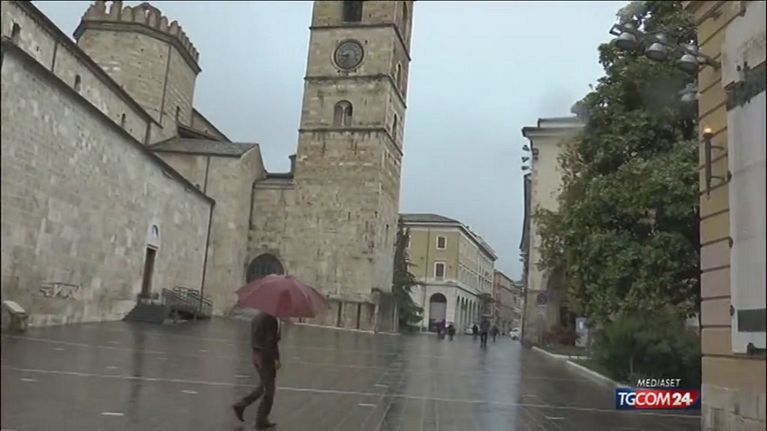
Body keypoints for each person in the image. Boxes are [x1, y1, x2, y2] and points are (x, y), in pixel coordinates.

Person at [233, 311, 281, 430]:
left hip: (256, 354)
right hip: (265, 357)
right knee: (269, 390)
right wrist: (276, 358)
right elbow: (270, 342)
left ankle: (242, 405)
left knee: (262, 387)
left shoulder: (258, 317)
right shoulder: (271, 320)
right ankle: (261, 420)